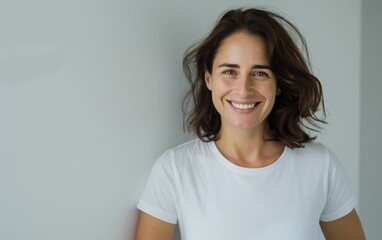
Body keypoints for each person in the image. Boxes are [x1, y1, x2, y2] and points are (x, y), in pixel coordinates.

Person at [135, 8, 365, 240]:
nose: (243, 90)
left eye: (260, 74)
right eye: (229, 72)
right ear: (209, 79)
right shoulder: (174, 169)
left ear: (279, 84)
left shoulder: (320, 166)